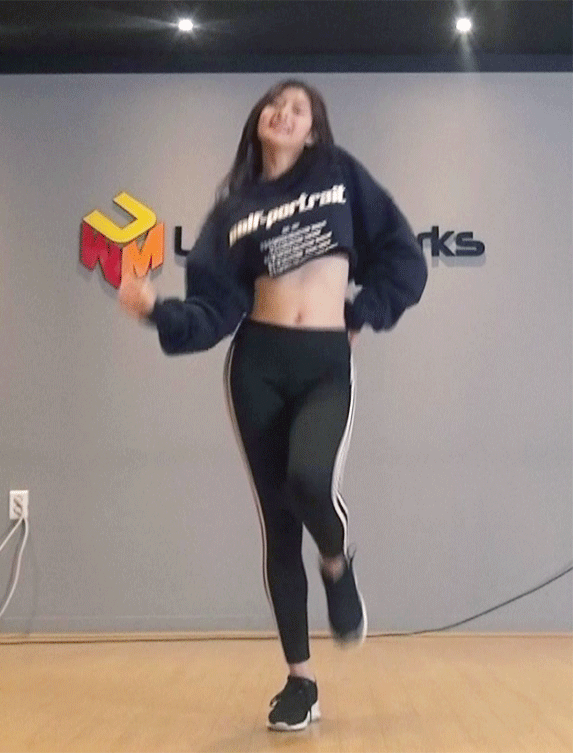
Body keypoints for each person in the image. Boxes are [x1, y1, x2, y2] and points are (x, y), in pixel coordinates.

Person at [118, 78, 427, 732]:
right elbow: (212, 308)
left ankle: (337, 562)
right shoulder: (234, 210)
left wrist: (362, 312)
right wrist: (154, 311)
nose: (283, 112)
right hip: (257, 364)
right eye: (274, 105)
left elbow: (403, 255)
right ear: (259, 121)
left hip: (323, 364)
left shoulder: (339, 177)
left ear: (313, 131)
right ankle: (300, 681)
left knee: (310, 480)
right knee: (279, 524)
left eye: (298, 108)